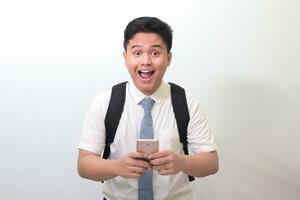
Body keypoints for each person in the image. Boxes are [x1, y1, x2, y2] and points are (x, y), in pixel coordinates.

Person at [77, 16, 219, 200]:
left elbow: (211, 163)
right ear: (125, 57)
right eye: (137, 53)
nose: (146, 61)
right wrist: (117, 167)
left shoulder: (187, 102)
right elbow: (84, 164)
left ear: (168, 58)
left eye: (155, 53)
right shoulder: (105, 102)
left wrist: (182, 162)